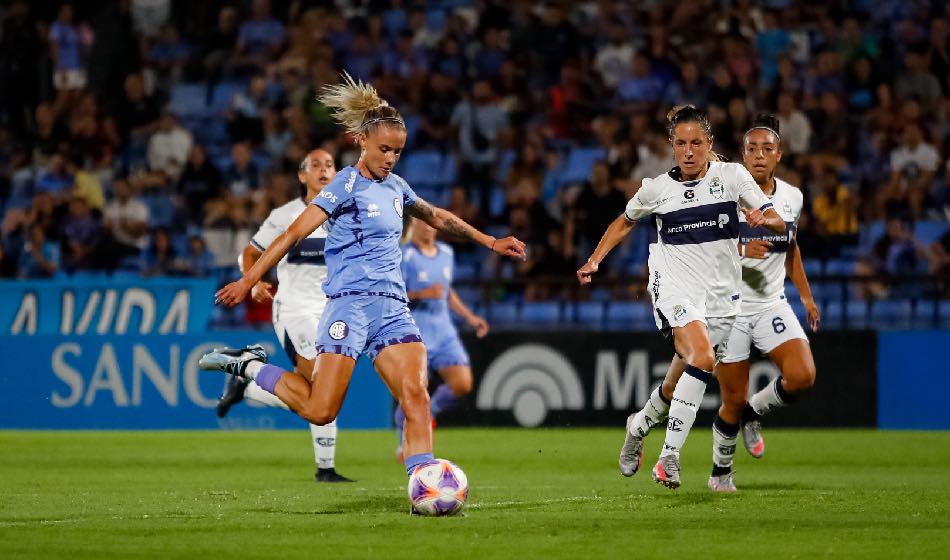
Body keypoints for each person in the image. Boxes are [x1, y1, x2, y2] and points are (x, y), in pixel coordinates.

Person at [200, 73, 525, 490]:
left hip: (392, 308)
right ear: (361, 141)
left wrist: (490, 240)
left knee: (417, 396)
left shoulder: (397, 188)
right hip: (348, 307)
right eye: (385, 149)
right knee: (321, 411)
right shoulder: (345, 185)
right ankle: (249, 367)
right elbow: (294, 233)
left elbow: (438, 216)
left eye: (398, 151)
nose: (391, 158)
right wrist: (249, 278)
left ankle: (422, 481)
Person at [577, 105, 785, 490]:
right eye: (681, 143)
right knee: (703, 357)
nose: (689, 151)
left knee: (677, 384)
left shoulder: (733, 177)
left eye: (696, 143)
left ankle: (637, 426)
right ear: (671, 145)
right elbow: (623, 222)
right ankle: (668, 457)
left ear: (709, 145)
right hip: (673, 288)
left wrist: (762, 219)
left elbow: (775, 217)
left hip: (722, 299)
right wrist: (593, 261)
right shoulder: (656, 189)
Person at [215, 148, 352, 483]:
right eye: (315, 165)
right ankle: (326, 469)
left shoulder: (347, 214)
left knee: (318, 394)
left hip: (332, 312)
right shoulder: (286, 214)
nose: (324, 170)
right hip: (294, 309)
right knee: (321, 389)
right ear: (302, 176)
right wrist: (254, 280)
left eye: (330, 164)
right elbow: (250, 251)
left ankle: (247, 384)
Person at [707, 115, 819, 492]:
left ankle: (755, 413)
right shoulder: (722, 193)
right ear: (741, 156)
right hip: (730, 307)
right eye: (752, 149)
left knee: (803, 376)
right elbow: (699, 249)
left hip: (771, 302)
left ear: (779, 155)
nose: (758, 155)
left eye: (766, 149)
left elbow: (792, 248)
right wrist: (740, 247)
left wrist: (805, 295)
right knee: (731, 400)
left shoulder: (792, 197)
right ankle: (720, 472)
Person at [394, 217, 490, 459]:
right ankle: (403, 442)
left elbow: (447, 293)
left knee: (463, 383)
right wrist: (421, 293)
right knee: (414, 391)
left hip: (444, 330)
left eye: (431, 223)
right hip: (416, 330)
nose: (428, 226)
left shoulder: (446, 252)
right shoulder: (404, 255)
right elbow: (394, 294)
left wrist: (469, 317)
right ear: (414, 225)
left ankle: (432, 411)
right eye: (422, 222)